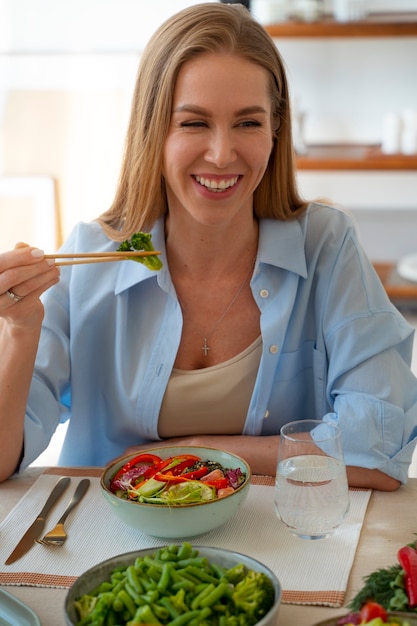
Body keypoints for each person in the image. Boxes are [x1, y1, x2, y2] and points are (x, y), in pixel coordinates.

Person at [1, 3, 416, 490]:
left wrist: (189, 454)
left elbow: (376, 454)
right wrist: (20, 332)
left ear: (275, 130)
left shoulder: (327, 246)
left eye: (248, 123)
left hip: (281, 548)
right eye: (194, 123)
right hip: (104, 546)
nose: (222, 154)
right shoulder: (90, 257)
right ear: (153, 131)